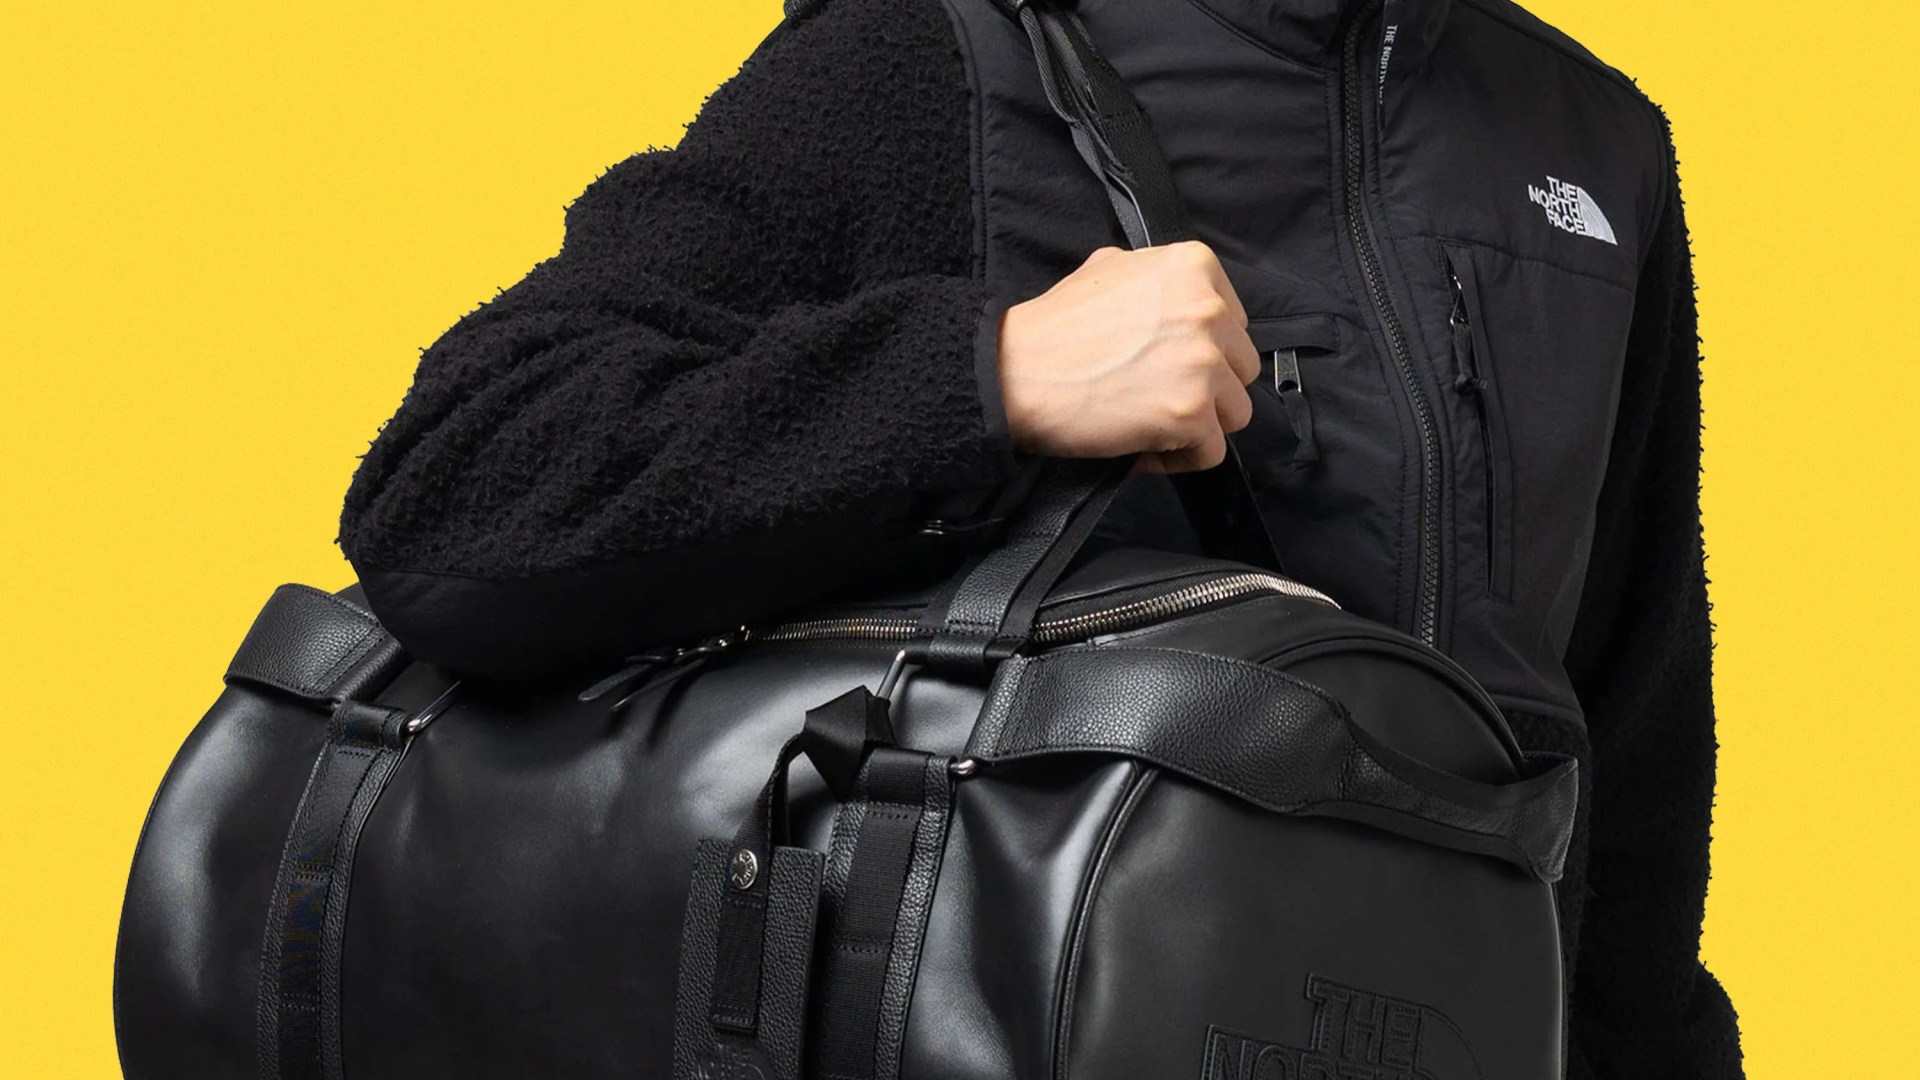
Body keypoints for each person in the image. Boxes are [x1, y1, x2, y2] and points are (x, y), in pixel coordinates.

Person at [337, 0, 1741, 1074]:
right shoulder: (941, 58)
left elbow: (1632, 756)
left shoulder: (1592, 145)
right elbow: (459, 489)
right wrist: (987, 379)